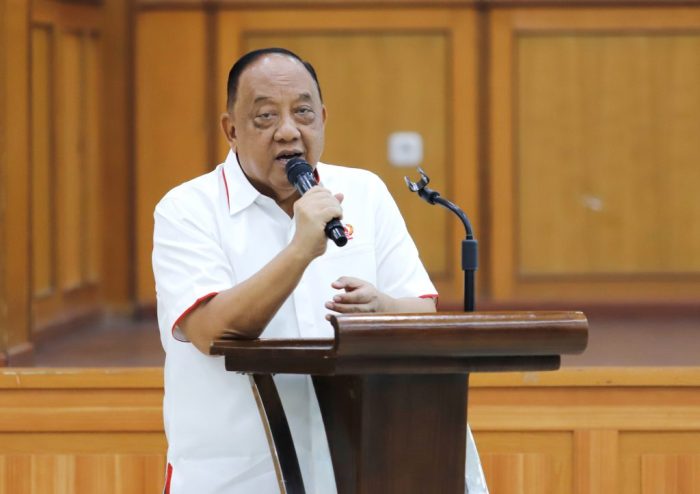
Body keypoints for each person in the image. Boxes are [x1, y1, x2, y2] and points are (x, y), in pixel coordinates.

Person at [152, 47, 488, 494]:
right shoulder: (187, 209)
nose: (288, 131)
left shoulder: (364, 192)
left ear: (323, 119)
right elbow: (211, 332)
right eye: (265, 117)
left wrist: (383, 308)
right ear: (231, 130)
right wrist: (300, 251)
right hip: (238, 477)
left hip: (358, 469)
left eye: (303, 113)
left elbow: (421, 311)